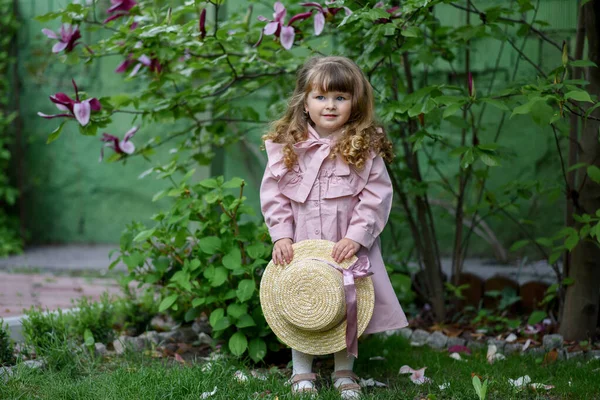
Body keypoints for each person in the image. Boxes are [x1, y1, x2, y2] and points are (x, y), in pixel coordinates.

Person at [260, 55, 408, 398]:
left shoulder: (364, 146)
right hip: (302, 243)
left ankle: (344, 371)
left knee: (346, 301)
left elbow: (376, 197)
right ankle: (302, 372)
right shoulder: (288, 146)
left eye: (340, 98)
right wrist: (281, 234)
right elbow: (273, 195)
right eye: (321, 97)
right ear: (304, 103)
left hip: (346, 244)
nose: (330, 105)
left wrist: (357, 239)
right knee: (303, 299)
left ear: (355, 104)